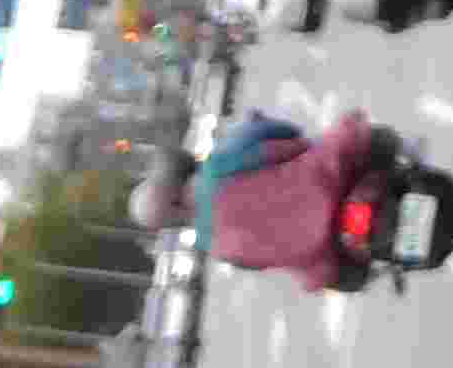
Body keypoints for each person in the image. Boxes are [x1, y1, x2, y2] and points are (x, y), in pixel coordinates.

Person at [134, 109, 421, 287]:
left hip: (327, 255)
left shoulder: (216, 250)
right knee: (356, 134)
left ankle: (389, 265)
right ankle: (410, 155)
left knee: (337, 278)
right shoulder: (215, 168)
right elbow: (288, 144)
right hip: (329, 180)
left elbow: (266, 262)